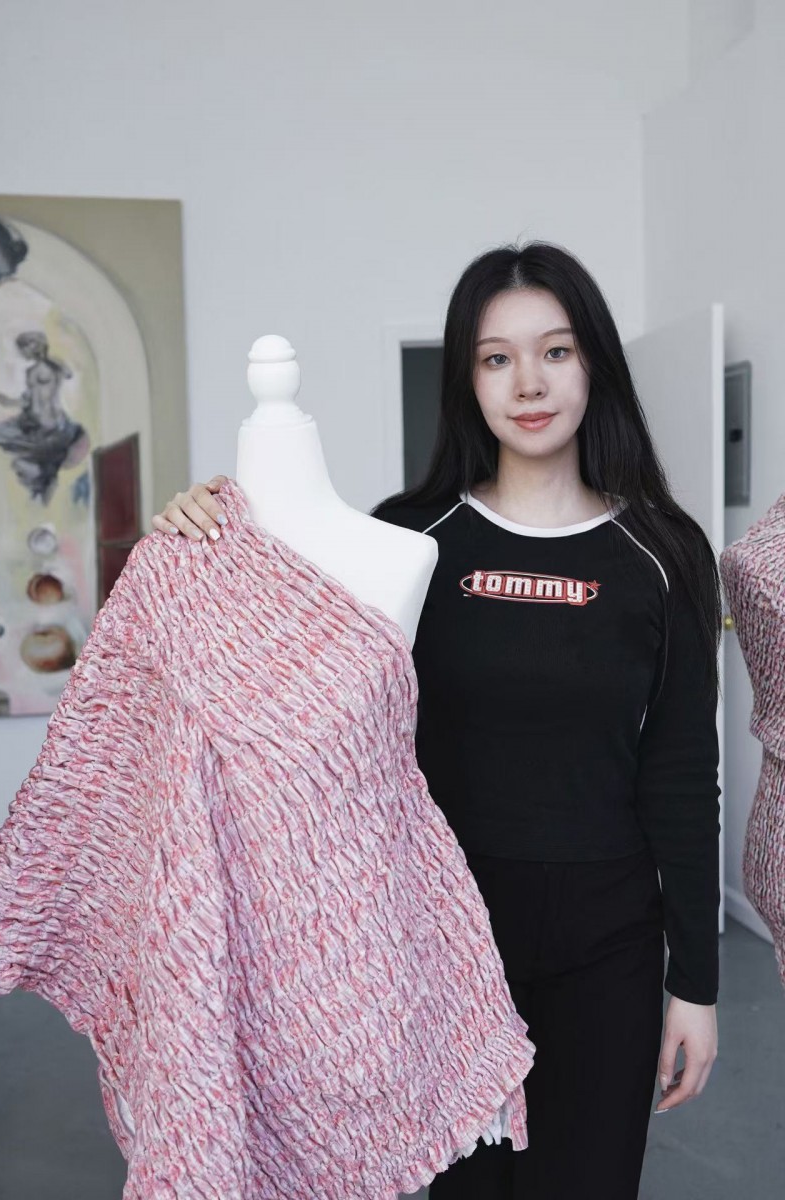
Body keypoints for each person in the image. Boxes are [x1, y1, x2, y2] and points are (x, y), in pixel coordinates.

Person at [151, 239, 721, 1200]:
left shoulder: (662, 551)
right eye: (497, 358)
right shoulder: (407, 538)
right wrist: (206, 526)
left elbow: (681, 775)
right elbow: (275, 661)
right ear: (468, 379)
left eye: (556, 351)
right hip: (443, 943)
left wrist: (695, 986)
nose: (529, 383)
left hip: (609, 947)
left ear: (594, 365)